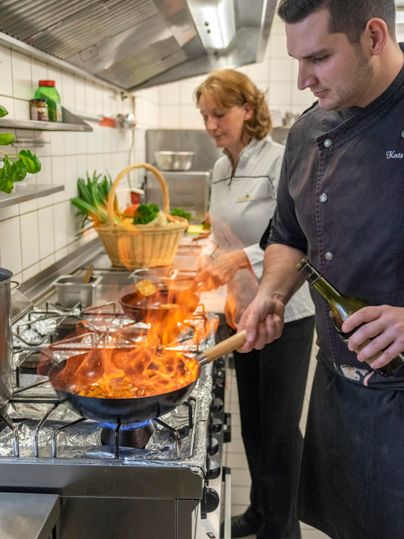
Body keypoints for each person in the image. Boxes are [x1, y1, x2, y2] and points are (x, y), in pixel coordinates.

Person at [237, 1, 404, 538]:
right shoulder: (306, 134)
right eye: (296, 59)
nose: (303, 79)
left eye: (319, 58)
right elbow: (289, 236)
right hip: (338, 390)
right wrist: (272, 294)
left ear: (374, 36)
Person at [193, 69, 315, 539]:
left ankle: (282, 530)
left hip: (286, 312)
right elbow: (217, 235)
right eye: (204, 115)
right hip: (240, 313)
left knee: (280, 432)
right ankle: (260, 512)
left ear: (248, 109)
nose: (210, 125)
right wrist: (206, 259)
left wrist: (245, 256)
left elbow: (302, 236)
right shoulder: (220, 170)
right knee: (254, 427)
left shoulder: (282, 161)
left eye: (219, 113)